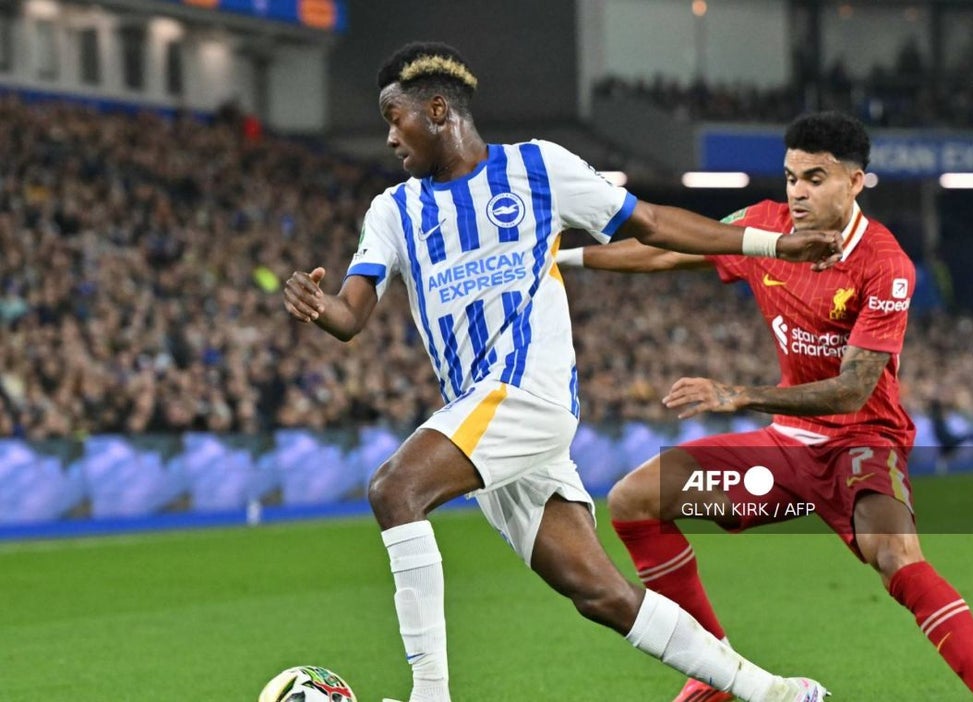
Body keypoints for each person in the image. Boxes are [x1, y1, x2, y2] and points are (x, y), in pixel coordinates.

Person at [282, 42, 841, 702]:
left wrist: (773, 244)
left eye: (393, 118)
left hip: (527, 393)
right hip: (482, 416)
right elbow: (352, 314)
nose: (388, 137)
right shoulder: (393, 210)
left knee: (393, 489)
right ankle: (775, 692)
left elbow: (653, 223)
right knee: (600, 593)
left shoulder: (538, 168)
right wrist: (319, 306)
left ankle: (430, 695)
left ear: (436, 110)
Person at [556, 112, 973, 702]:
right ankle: (712, 671)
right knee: (634, 499)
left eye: (815, 179)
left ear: (854, 182)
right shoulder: (763, 227)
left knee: (895, 555)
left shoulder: (885, 264)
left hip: (861, 445)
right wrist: (561, 260)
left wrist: (742, 395)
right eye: (792, 177)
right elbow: (664, 253)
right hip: (785, 453)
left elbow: (853, 390)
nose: (797, 191)